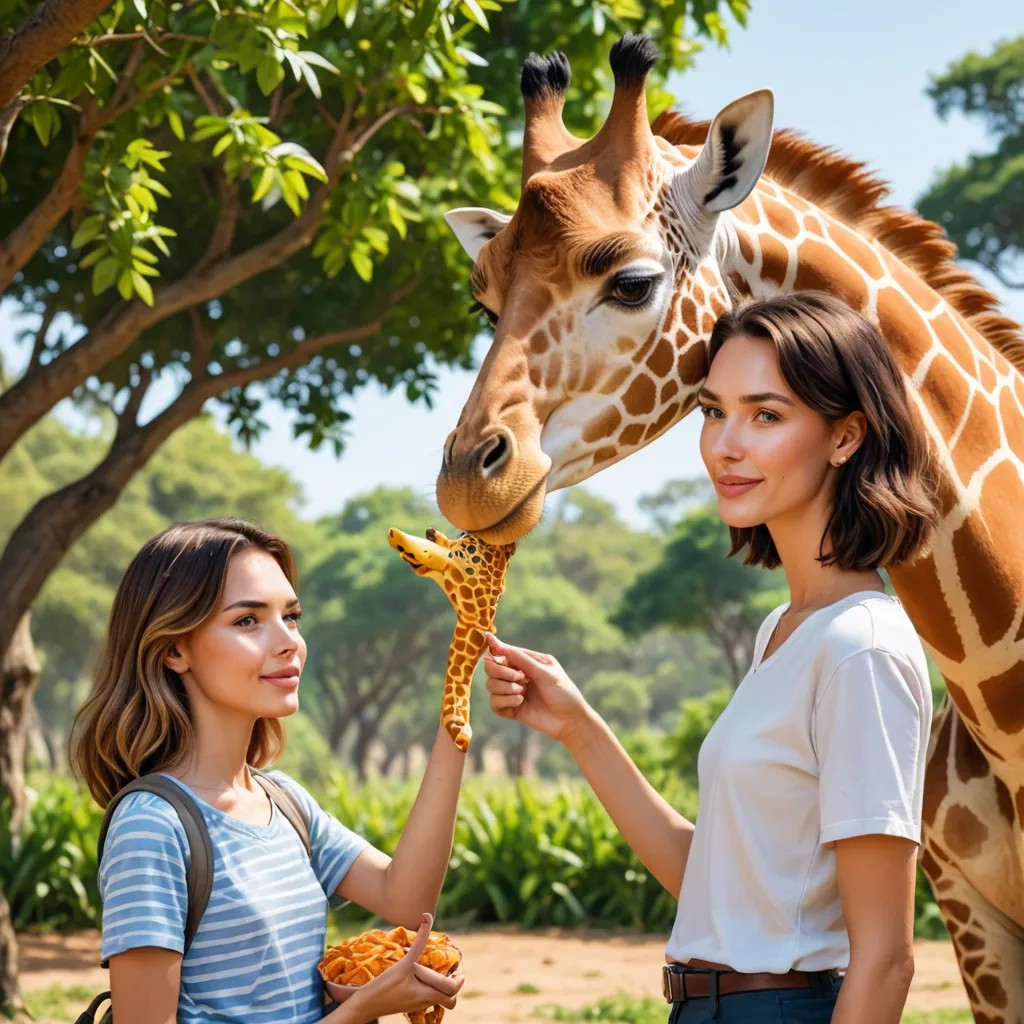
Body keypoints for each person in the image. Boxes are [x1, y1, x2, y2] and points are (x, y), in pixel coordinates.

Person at [483, 291, 939, 1024]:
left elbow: (885, 958)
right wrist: (578, 728)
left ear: (846, 436)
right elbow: (717, 887)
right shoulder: (782, 632)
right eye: (712, 410)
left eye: (766, 415)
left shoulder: (861, 648)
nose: (725, 444)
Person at [70, 517, 466, 1024]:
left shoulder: (283, 801)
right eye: (247, 621)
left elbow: (406, 899)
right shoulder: (153, 827)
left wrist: (454, 723)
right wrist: (362, 1010)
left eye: (292, 617)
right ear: (173, 649)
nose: (289, 643)